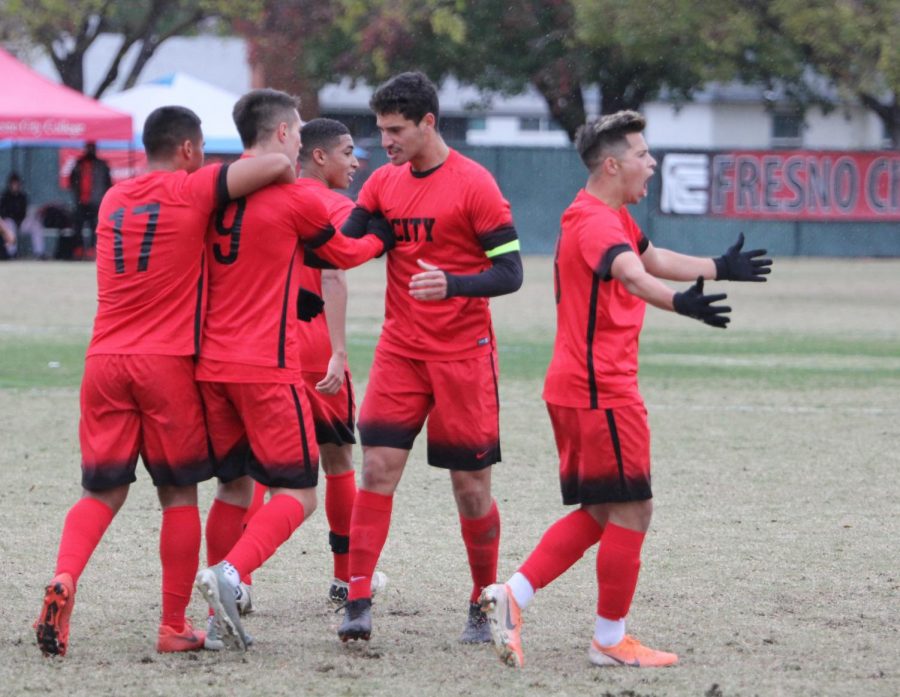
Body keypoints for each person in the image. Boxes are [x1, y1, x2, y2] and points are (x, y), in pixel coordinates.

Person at [479, 110, 772, 669]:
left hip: (581, 385)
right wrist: (680, 302)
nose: (652, 162)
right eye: (642, 154)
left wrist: (718, 267)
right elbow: (633, 275)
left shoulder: (605, 213)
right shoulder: (594, 223)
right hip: (599, 391)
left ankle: (512, 595)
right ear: (612, 164)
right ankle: (608, 640)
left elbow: (649, 257)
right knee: (635, 510)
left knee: (603, 511)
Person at [33, 105, 297, 657]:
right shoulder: (192, 189)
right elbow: (272, 163)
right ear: (186, 150)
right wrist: (288, 169)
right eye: (199, 149)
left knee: (101, 491)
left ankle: (64, 577)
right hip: (165, 363)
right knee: (178, 495)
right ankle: (173, 625)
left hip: (104, 359)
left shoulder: (111, 198)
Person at [193, 89, 394, 651]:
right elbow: (345, 256)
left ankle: (219, 610)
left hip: (209, 364)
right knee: (302, 489)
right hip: (271, 360)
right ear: (283, 134)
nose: (303, 136)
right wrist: (386, 230)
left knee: (234, 487)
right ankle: (233, 573)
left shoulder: (206, 193)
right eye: (299, 128)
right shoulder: (296, 197)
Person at [336, 71, 524, 644]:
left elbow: (511, 273)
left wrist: (455, 285)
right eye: (380, 130)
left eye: (395, 130)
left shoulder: (476, 185)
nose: (385, 142)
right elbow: (351, 242)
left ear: (428, 123)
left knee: (471, 488)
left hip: (464, 357)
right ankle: (358, 599)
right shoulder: (382, 185)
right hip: (400, 352)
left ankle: (482, 602)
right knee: (376, 468)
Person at [235, 118, 387, 608]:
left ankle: (240, 579)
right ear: (318, 157)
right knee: (338, 458)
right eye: (347, 152)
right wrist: (339, 351)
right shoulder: (333, 206)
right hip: (315, 341)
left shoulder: (261, 196)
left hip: (266, 342)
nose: (356, 161)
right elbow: (333, 277)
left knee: (260, 466)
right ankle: (345, 578)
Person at [69, 142, 112, 255]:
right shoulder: (79, 164)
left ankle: (92, 250)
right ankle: (79, 249)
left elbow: (108, 183)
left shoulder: (101, 165)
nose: (90, 151)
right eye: (88, 148)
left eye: (92, 148)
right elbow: (72, 180)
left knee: (95, 226)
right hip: (81, 201)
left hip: (96, 201)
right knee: (78, 226)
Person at [0, 172, 27, 258]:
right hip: (8, 221)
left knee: (35, 225)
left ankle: (40, 253)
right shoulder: (5, 196)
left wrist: (19, 221)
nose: (15, 185)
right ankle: (11, 253)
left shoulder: (22, 196)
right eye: (13, 183)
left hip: (20, 222)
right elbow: (4, 213)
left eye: (17, 183)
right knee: (9, 222)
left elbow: (23, 213)